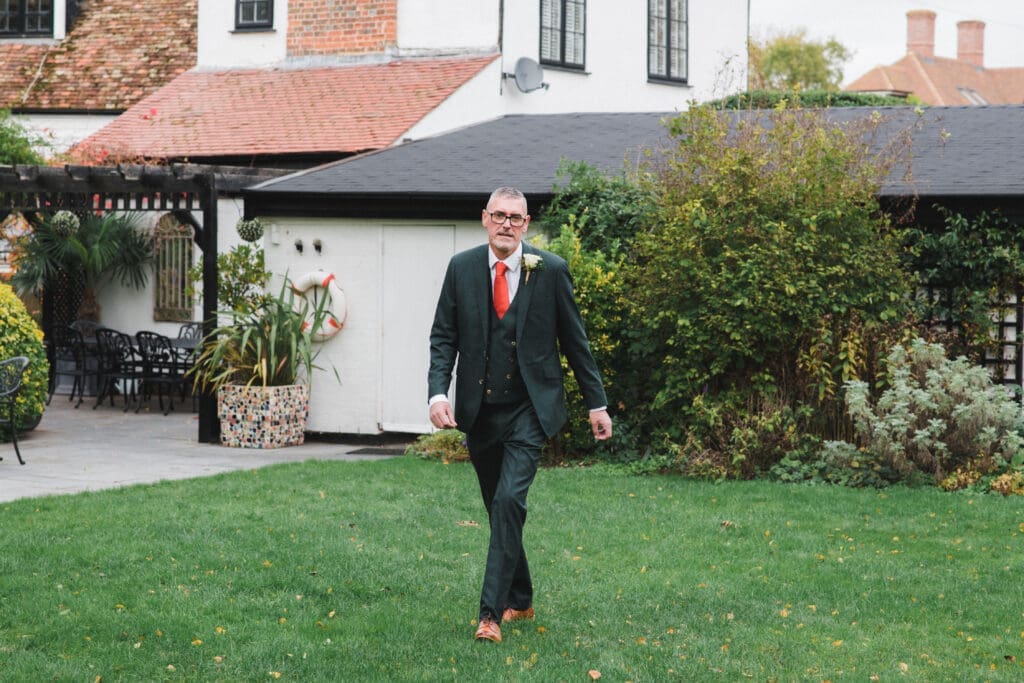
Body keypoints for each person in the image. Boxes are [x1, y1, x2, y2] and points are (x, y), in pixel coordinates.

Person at [428, 186, 613, 643]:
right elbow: (443, 337)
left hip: (531, 409)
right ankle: (524, 598)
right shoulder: (462, 268)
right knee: (499, 508)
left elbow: (575, 342)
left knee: (510, 501)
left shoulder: (550, 271)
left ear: (527, 224)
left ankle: (491, 614)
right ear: (485, 219)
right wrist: (437, 394)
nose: (507, 223)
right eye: (499, 215)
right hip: (479, 412)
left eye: (516, 217)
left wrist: (597, 402)